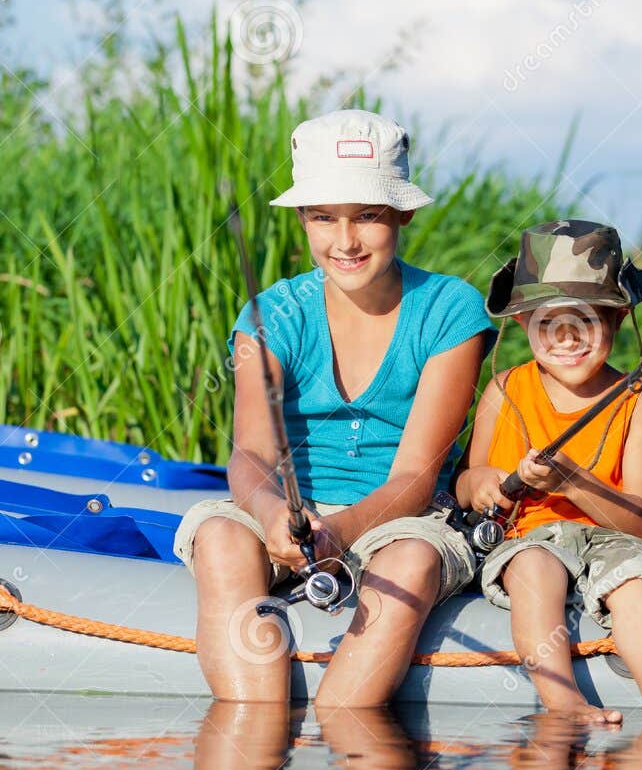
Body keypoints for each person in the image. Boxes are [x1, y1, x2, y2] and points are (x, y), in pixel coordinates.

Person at [174, 109, 491, 707]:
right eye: (324, 217)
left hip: (399, 518)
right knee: (220, 536)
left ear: (403, 214)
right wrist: (272, 517)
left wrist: (338, 533)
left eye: (367, 216)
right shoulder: (272, 316)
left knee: (413, 560)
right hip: (287, 512)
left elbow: (417, 477)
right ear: (302, 219)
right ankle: (250, 740)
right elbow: (252, 454)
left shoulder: (451, 310)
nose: (344, 240)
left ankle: (343, 721)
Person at [456, 220, 642, 724]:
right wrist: (488, 484)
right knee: (534, 569)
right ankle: (564, 706)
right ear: (521, 325)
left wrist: (571, 482)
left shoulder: (641, 401)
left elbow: (640, 525)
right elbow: (470, 484)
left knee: (639, 584)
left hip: (613, 539)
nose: (567, 336)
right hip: (529, 537)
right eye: (547, 321)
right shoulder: (505, 391)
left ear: (619, 319)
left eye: (588, 319)